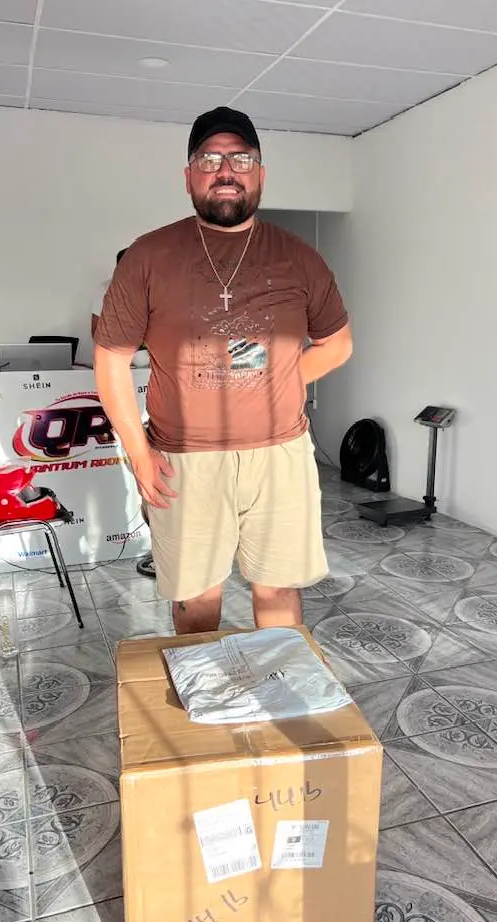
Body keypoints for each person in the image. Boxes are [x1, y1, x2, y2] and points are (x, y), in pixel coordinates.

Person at [93, 105, 353, 634]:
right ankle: (200, 687)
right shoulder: (148, 256)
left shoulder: (300, 258)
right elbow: (111, 359)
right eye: (210, 159)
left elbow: (337, 345)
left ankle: (280, 685)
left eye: (241, 159)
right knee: (196, 599)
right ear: (188, 176)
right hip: (184, 460)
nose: (226, 170)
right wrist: (139, 455)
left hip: (280, 454)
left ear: (261, 174)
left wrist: (276, 381)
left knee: (278, 589)